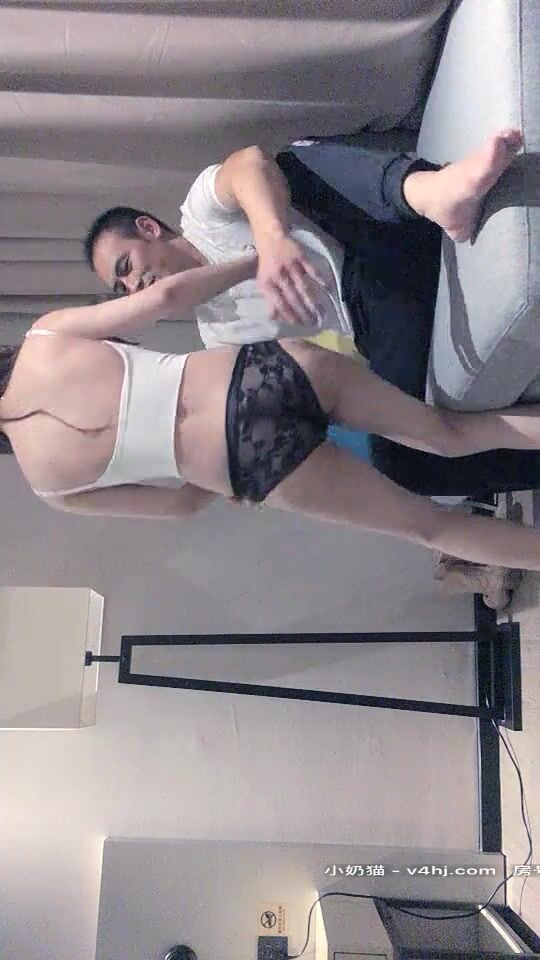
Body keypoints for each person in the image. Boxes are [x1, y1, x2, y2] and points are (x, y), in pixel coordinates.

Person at [3, 252, 540, 573]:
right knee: (451, 433)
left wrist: (221, 475)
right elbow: (165, 298)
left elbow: (181, 505)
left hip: (253, 463)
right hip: (259, 372)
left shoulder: (51, 487)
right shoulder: (45, 339)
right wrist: (254, 260)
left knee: (433, 528)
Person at [84, 129, 539, 496]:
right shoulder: (218, 336)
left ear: (148, 228)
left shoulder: (203, 213)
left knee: (287, 164)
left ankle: (437, 192)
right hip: (382, 324)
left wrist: (272, 239)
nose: (133, 286)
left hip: (379, 240)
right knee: (400, 463)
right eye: (121, 289)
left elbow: (248, 163)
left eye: (126, 267)